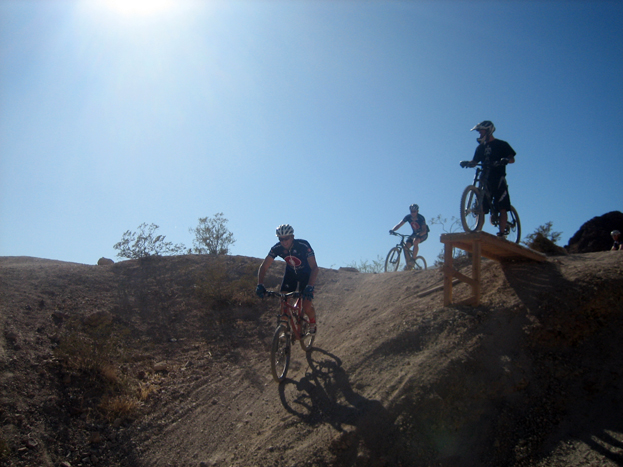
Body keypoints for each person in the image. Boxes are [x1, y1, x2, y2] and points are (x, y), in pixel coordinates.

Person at [256, 224, 319, 333]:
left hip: (306, 275)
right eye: (281, 239)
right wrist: (260, 284)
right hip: (291, 275)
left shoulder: (303, 245)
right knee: (283, 302)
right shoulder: (277, 248)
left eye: (287, 238)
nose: (284, 242)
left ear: (292, 237)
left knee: (306, 305)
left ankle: (312, 321)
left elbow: (315, 268)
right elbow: (264, 266)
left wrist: (310, 286)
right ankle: (285, 332)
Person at [460, 120, 516, 237]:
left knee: (502, 206)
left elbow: (512, 158)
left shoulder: (501, 144)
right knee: (481, 208)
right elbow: (475, 161)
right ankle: (476, 233)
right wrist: (467, 163)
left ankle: (501, 233)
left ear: (489, 130)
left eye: (481, 131)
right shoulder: (480, 148)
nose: (479, 133)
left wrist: (505, 160)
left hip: (497, 177)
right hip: (484, 177)